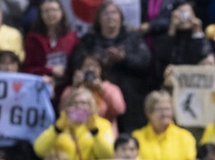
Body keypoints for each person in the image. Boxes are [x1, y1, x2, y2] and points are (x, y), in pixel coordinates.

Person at [71, 0, 151, 133]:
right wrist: (100, 60)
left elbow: (145, 61)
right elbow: (76, 62)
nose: (110, 16)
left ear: (121, 17)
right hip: (99, 99)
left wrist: (123, 58)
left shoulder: (133, 37)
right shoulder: (89, 40)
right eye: (105, 13)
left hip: (131, 98)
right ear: (98, 19)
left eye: (114, 12)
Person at [33, 86, 115, 160]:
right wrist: (57, 130)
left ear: (92, 106)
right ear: (67, 106)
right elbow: (39, 150)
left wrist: (94, 132)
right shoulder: (61, 124)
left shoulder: (102, 125)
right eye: (75, 103)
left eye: (84, 103)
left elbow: (108, 155)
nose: (79, 106)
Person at [133, 90, 197, 160]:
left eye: (168, 109)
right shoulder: (137, 137)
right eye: (159, 110)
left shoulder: (185, 137)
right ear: (149, 113)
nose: (165, 114)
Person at [60, 52, 126, 130]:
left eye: (95, 67)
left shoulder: (110, 88)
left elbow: (120, 110)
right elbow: (62, 111)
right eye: (87, 66)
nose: (91, 69)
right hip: (77, 132)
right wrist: (75, 87)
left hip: (104, 132)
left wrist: (102, 90)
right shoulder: (74, 87)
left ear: (101, 69)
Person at [24, 0, 79, 94]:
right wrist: (50, 70)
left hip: (67, 88)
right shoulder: (33, 38)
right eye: (46, 11)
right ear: (40, 15)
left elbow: (76, 65)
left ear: (61, 12)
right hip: (41, 88)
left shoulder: (72, 37)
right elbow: (29, 69)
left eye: (54, 10)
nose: (50, 14)